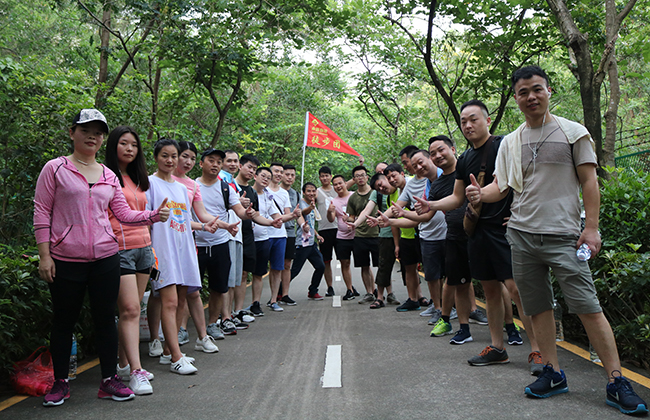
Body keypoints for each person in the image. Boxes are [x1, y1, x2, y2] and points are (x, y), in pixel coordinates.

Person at [468, 66, 647, 414]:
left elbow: (589, 182)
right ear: (517, 99)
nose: (531, 96)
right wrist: (478, 195)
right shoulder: (512, 141)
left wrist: (591, 228)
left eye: (537, 89)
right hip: (521, 236)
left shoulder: (572, 132)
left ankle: (616, 380)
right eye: (523, 92)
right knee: (536, 308)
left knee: (588, 307)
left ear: (549, 91)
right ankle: (553, 372)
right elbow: (500, 187)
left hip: (564, 235)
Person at [35, 109, 169, 406]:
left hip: (106, 256)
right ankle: (60, 383)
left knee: (106, 319)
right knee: (64, 321)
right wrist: (45, 256)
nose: (92, 136)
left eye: (98, 132)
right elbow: (42, 212)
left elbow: (121, 213)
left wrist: (152, 216)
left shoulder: (109, 175)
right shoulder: (55, 169)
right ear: (72, 133)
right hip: (66, 258)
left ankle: (109, 379)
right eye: (86, 130)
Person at [421, 99, 540, 373]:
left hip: (505, 230)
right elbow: (457, 197)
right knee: (489, 290)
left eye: (473, 119)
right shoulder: (464, 159)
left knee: (516, 289)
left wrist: (522, 213)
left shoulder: (503, 145)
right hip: (477, 232)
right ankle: (498, 348)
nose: (468, 125)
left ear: (487, 121)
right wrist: (431, 205)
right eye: (463, 121)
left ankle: (537, 350)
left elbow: (521, 181)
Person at [146, 139, 220, 376]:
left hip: (184, 247)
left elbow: (184, 219)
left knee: (180, 299)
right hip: (162, 249)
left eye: (174, 156)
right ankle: (176, 357)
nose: (170, 160)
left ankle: (170, 351)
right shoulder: (149, 183)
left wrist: (209, 226)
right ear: (156, 157)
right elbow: (145, 218)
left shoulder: (181, 188)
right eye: (164, 156)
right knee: (168, 301)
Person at [196, 149, 279, 336]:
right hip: (197, 243)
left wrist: (248, 213)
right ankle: (184, 329)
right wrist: (225, 225)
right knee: (193, 291)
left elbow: (241, 211)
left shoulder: (227, 186)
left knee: (220, 286)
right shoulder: (192, 187)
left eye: (219, 161)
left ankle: (215, 323)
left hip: (222, 242)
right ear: (201, 163)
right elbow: (200, 214)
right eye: (212, 160)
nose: (217, 164)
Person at [105, 126, 155, 395]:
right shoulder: (106, 176)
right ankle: (136, 371)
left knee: (133, 311)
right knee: (130, 310)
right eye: (123, 144)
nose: (129, 149)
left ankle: (124, 364)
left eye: (134, 145)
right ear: (113, 146)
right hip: (120, 248)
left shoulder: (137, 178)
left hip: (144, 248)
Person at [172, 141, 223, 347]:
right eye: (184, 156)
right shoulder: (154, 182)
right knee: (164, 296)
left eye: (192, 158)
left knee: (191, 291)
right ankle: (163, 340)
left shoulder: (192, 185)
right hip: (165, 244)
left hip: (187, 242)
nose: (188, 161)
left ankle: (202, 337)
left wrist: (224, 225)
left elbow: (201, 215)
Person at [248, 167, 297, 315]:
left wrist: (294, 215)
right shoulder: (248, 193)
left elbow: (278, 216)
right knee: (257, 272)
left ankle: (274, 300)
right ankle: (253, 303)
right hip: (259, 237)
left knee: (277, 268)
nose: (267, 178)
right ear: (256, 176)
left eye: (268, 177)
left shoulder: (271, 195)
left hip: (278, 236)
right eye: (265, 175)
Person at [346, 166, 380, 304]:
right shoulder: (352, 197)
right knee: (364, 265)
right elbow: (352, 217)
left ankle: (382, 292)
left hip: (377, 234)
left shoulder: (377, 193)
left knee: (381, 265)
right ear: (354, 179)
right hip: (360, 236)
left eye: (362, 175)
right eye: (357, 176)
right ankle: (369, 293)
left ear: (367, 177)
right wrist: (347, 219)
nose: (360, 178)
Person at [234, 154, 262, 322]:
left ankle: (238, 311)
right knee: (232, 275)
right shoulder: (228, 187)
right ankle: (225, 314)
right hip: (230, 234)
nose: (251, 171)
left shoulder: (252, 191)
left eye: (254, 169)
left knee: (244, 274)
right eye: (249, 167)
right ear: (240, 166)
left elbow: (255, 214)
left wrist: (273, 222)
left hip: (248, 236)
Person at [290, 182, 326, 300]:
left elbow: (310, 224)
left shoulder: (312, 204)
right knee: (295, 270)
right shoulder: (301, 203)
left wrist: (317, 235)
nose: (311, 193)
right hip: (302, 243)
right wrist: (310, 207)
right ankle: (280, 292)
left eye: (313, 191)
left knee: (320, 266)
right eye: (309, 191)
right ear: (304, 192)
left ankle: (313, 291)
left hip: (311, 243)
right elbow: (303, 213)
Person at [327, 175, 357, 300]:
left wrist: (353, 221)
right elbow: (331, 219)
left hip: (357, 235)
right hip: (342, 236)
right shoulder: (334, 201)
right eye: (335, 184)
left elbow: (361, 213)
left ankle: (371, 289)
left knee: (364, 264)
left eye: (340, 183)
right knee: (345, 263)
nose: (338, 186)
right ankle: (349, 289)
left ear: (345, 183)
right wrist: (329, 211)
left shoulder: (354, 196)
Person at [279, 164, 300, 305]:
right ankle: (275, 296)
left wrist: (303, 225)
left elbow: (298, 214)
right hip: (275, 231)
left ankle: (285, 294)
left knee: (287, 264)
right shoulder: (273, 191)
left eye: (292, 175)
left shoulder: (295, 194)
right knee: (276, 265)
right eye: (287, 174)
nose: (290, 177)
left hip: (290, 232)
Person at [315, 166, 338, 297]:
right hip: (324, 229)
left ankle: (350, 287)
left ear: (331, 176)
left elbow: (351, 183)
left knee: (344, 259)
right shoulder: (317, 192)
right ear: (319, 178)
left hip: (338, 228)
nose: (324, 178)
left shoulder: (337, 189)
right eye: (322, 176)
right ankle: (330, 287)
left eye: (327, 175)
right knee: (326, 261)